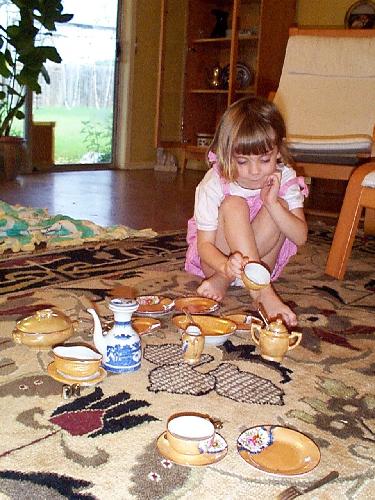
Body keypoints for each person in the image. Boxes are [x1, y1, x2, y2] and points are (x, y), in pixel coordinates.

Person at [185, 96, 309, 326]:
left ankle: (229, 281)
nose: (254, 171)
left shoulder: (285, 177)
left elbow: (300, 236)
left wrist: (271, 203)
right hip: (217, 261)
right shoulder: (214, 182)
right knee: (234, 204)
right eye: (242, 161)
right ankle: (260, 292)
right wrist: (224, 267)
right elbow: (204, 246)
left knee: (279, 207)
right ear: (226, 153)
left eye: (265, 160)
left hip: (263, 264)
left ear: (278, 151)